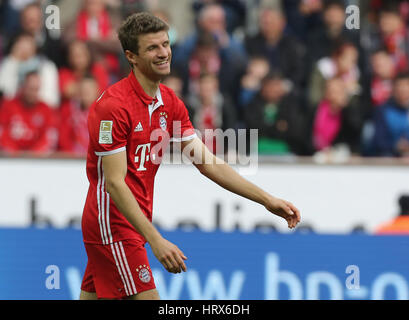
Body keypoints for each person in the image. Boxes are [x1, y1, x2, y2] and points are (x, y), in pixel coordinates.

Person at [79, 12, 301, 301]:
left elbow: (208, 162)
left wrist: (267, 199)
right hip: (113, 224)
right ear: (131, 56)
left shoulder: (169, 102)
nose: (163, 53)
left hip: (132, 224)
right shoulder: (112, 108)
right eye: (152, 48)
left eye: (165, 44)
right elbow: (115, 184)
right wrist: (156, 240)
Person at [0, 71, 57, 155]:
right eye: (31, 89)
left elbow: (50, 136)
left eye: (36, 89)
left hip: (36, 160)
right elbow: (1, 131)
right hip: (10, 159)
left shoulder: (46, 110)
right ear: (22, 87)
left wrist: (32, 155)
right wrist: (15, 153)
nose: (33, 93)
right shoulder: (8, 106)